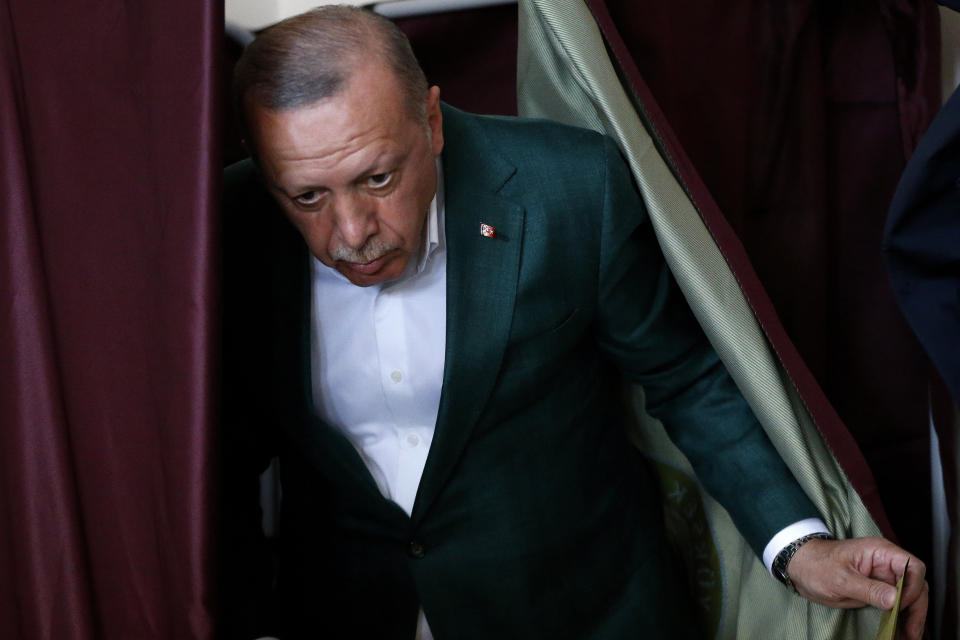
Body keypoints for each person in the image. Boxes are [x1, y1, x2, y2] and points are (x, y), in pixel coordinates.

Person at [221, 6, 927, 639]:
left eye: (378, 178)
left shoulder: (569, 186)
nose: (349, 233)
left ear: (432, 122)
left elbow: (684, 379)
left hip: (581, 613)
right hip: (347, 614)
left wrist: (800, 546)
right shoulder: (225, 232)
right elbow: (214, 466)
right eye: (307, 196)